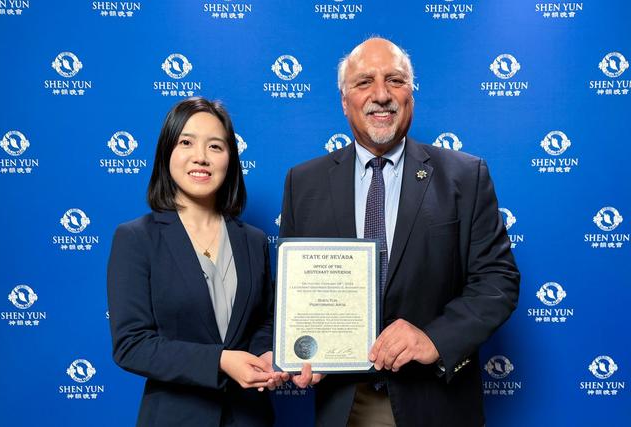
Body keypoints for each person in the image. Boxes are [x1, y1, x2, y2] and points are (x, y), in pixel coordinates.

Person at [279, 38, 520, 426]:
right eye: (364, 83)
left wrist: (434, 339)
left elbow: (497, 281)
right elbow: (292, 294)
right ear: (344, 100)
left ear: (411, 95)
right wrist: (300, 351)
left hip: (435, 402)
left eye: (395, 80)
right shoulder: (302, 183)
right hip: (343, 403)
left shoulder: (465, 176)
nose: (381, 95)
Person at [107, 97, 287, 427]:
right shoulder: (136, 238)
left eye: (215, 147)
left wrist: (265, 355)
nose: (201, 157)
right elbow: (131, 345)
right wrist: (219, 361)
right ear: (167, 153)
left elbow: (262, 321)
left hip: (249, 417)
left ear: (230, 159)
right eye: (186, 142)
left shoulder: (254, 240)